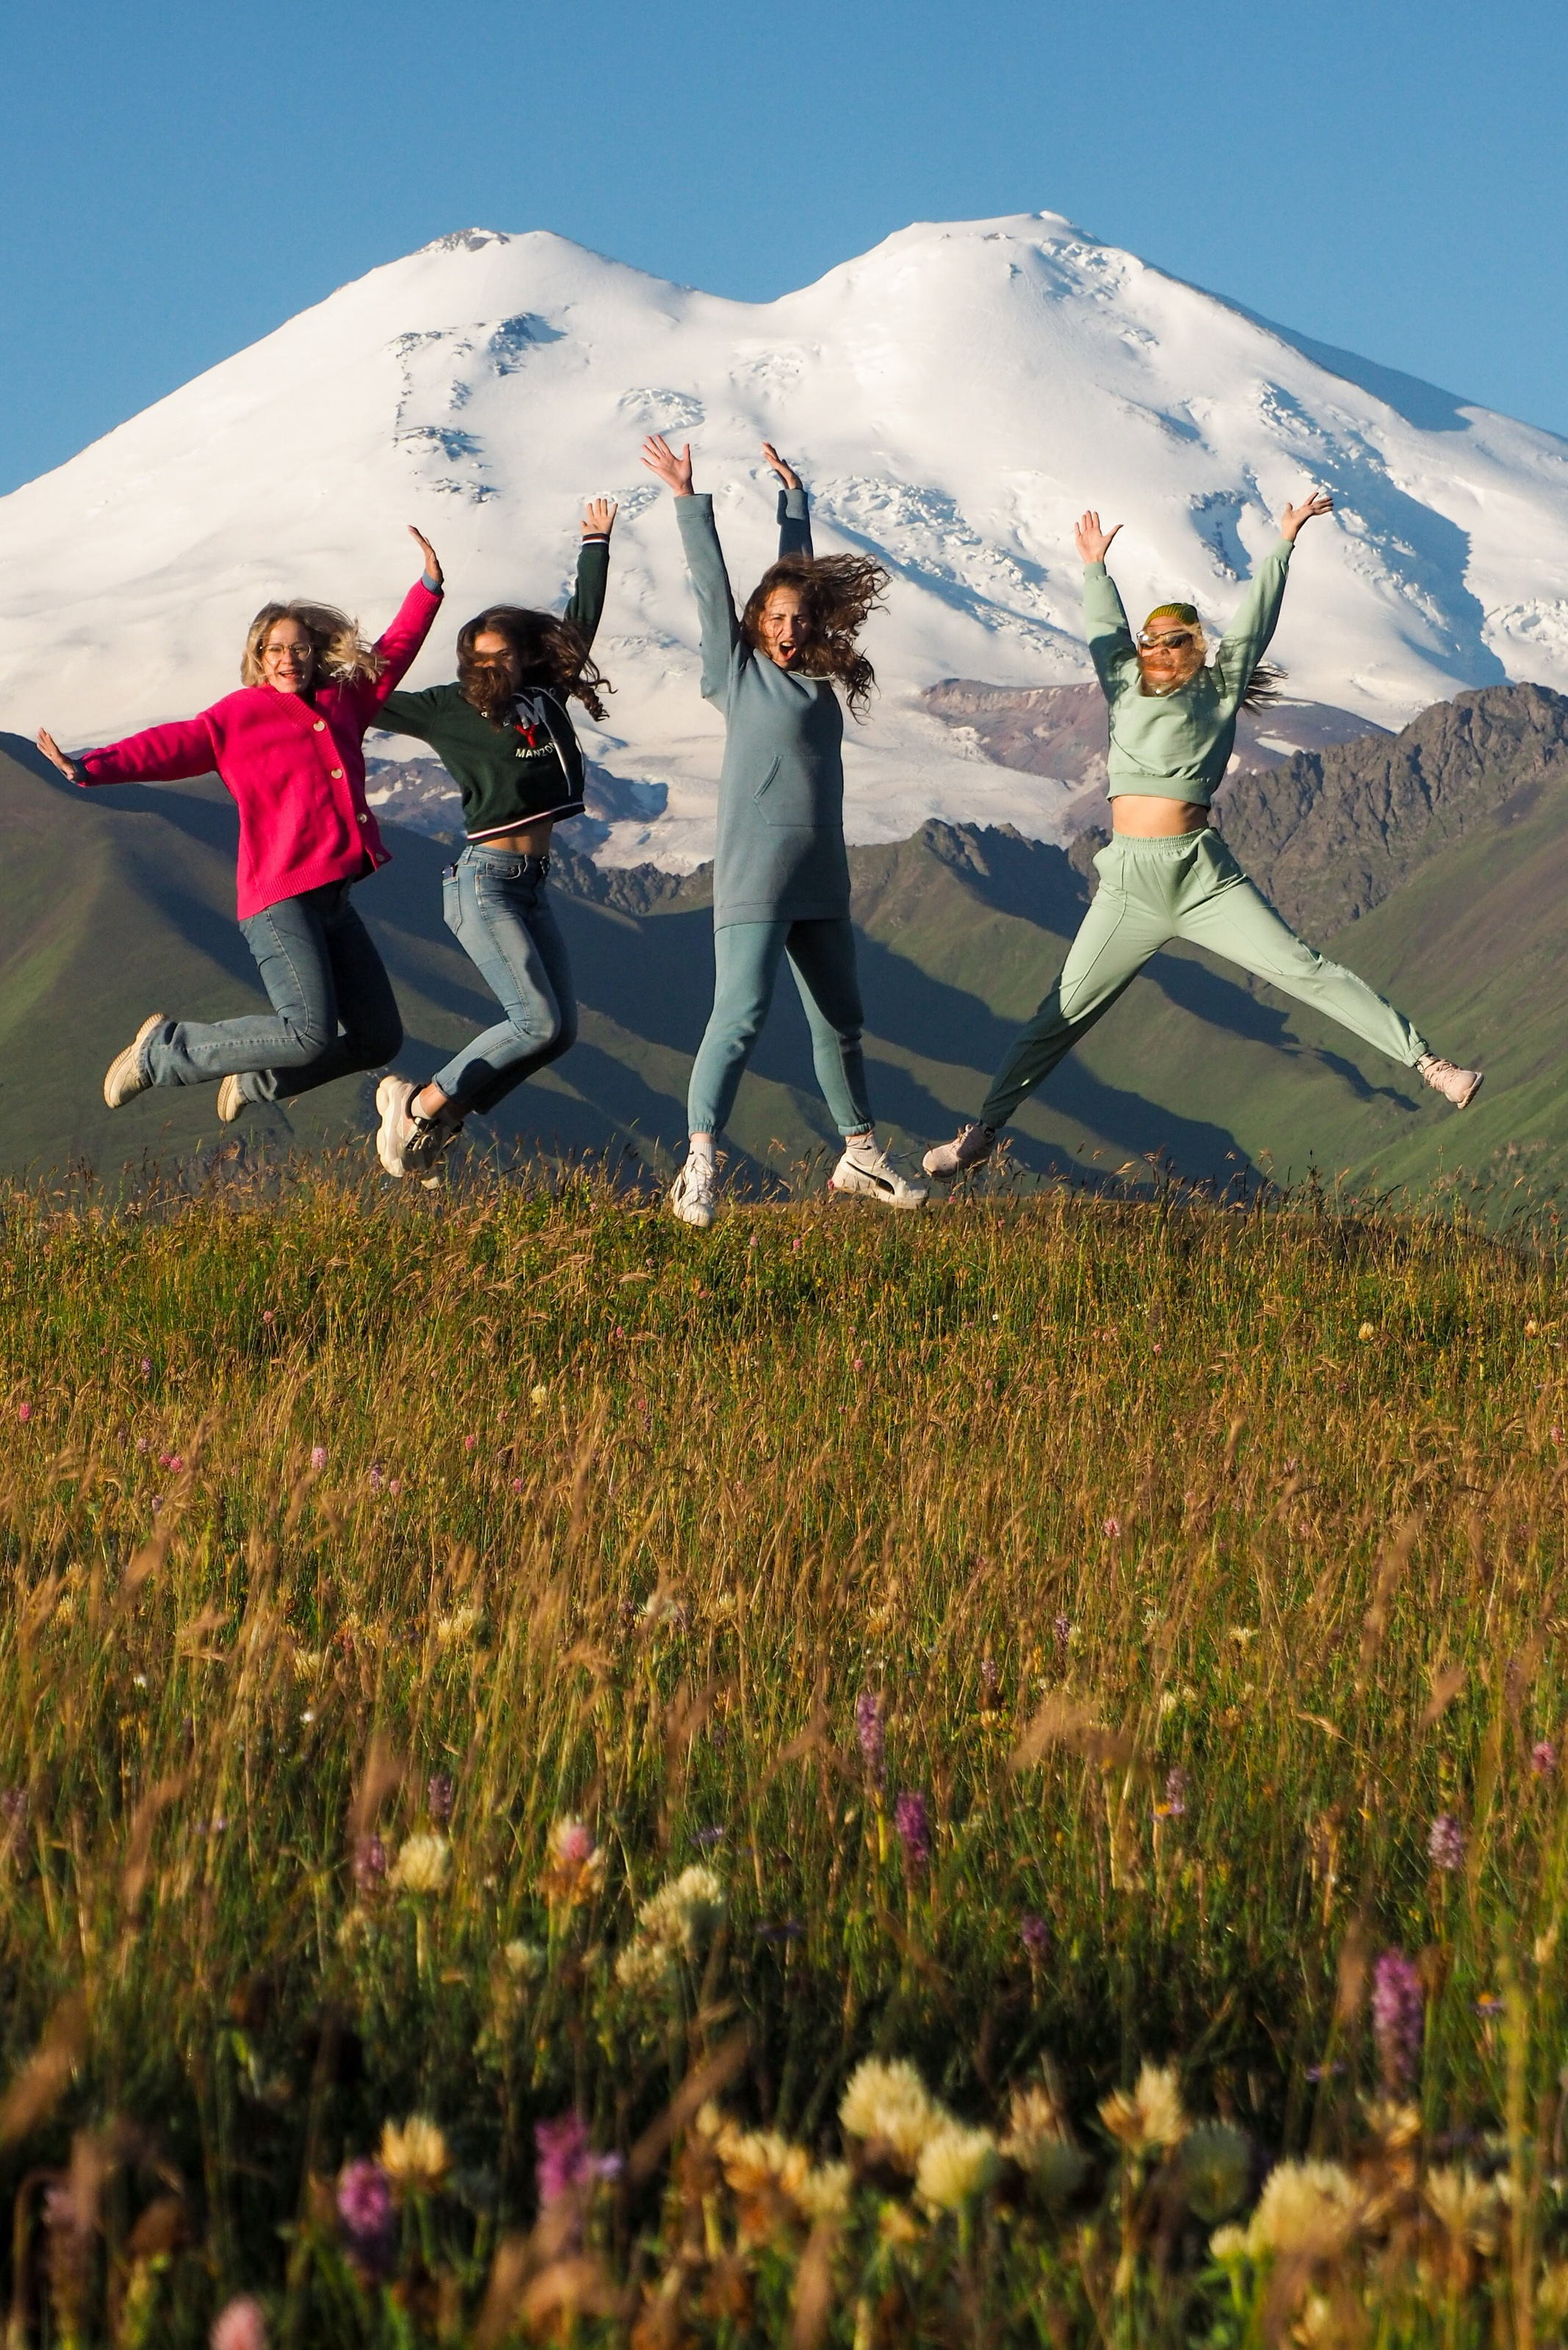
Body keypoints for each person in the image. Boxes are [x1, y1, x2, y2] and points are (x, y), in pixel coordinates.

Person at [922, 492, 1482, 1180]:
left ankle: (1430, 1065)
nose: (1158, 650)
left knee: (1304, 970)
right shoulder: (1122, 681)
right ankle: (981, 1133)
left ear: (1195, 650)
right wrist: (1096, 569)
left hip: (1200, 874)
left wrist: (1283, 543)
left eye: (1174, 642)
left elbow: (1255, 622)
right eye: (1151, 641)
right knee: (1060, 1014)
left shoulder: (1219, 688)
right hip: (1128, 881)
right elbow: (1105, 630)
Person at [36, 528, 444, 1122]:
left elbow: (394, 649)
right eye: (275, 649)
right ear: (259, 657)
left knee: (379, 1038)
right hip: (279, 900)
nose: (288, 658)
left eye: (300, 647)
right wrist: (90, 768)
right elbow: (170, 745)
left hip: (333, 900)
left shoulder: (343, 701)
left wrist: (428, 586)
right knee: (308, 1031)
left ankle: (257, 1082)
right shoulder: (239, 716)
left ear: (316, 652)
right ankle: (164, 1053)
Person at [640, 433, 926, 1226]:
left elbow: (795, 580)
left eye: (797, 618)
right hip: (754, 876)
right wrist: (686, 499)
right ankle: (697, 1165)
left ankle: (859, 1153)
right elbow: (709, 588)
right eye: (773, 618)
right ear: (755, 623)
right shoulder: (736, 674)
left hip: (818, 876)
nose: (787, 627)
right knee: (740, 1016)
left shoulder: (814, 677)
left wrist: (794, 504)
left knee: (840, 1021)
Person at [368, 500, 618, 1178]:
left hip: (532, 886)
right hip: (485, 884)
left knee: (559, 1032)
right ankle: (419, 1106)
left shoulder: (542, 696)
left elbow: (581, 627)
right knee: (533, 1020)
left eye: (503, 655)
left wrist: (595, 543)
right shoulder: (444, 708)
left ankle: (445, 1117)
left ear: (522, 657)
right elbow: (365, 688)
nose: (491, 668)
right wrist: (422, 594)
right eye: (478, 659)